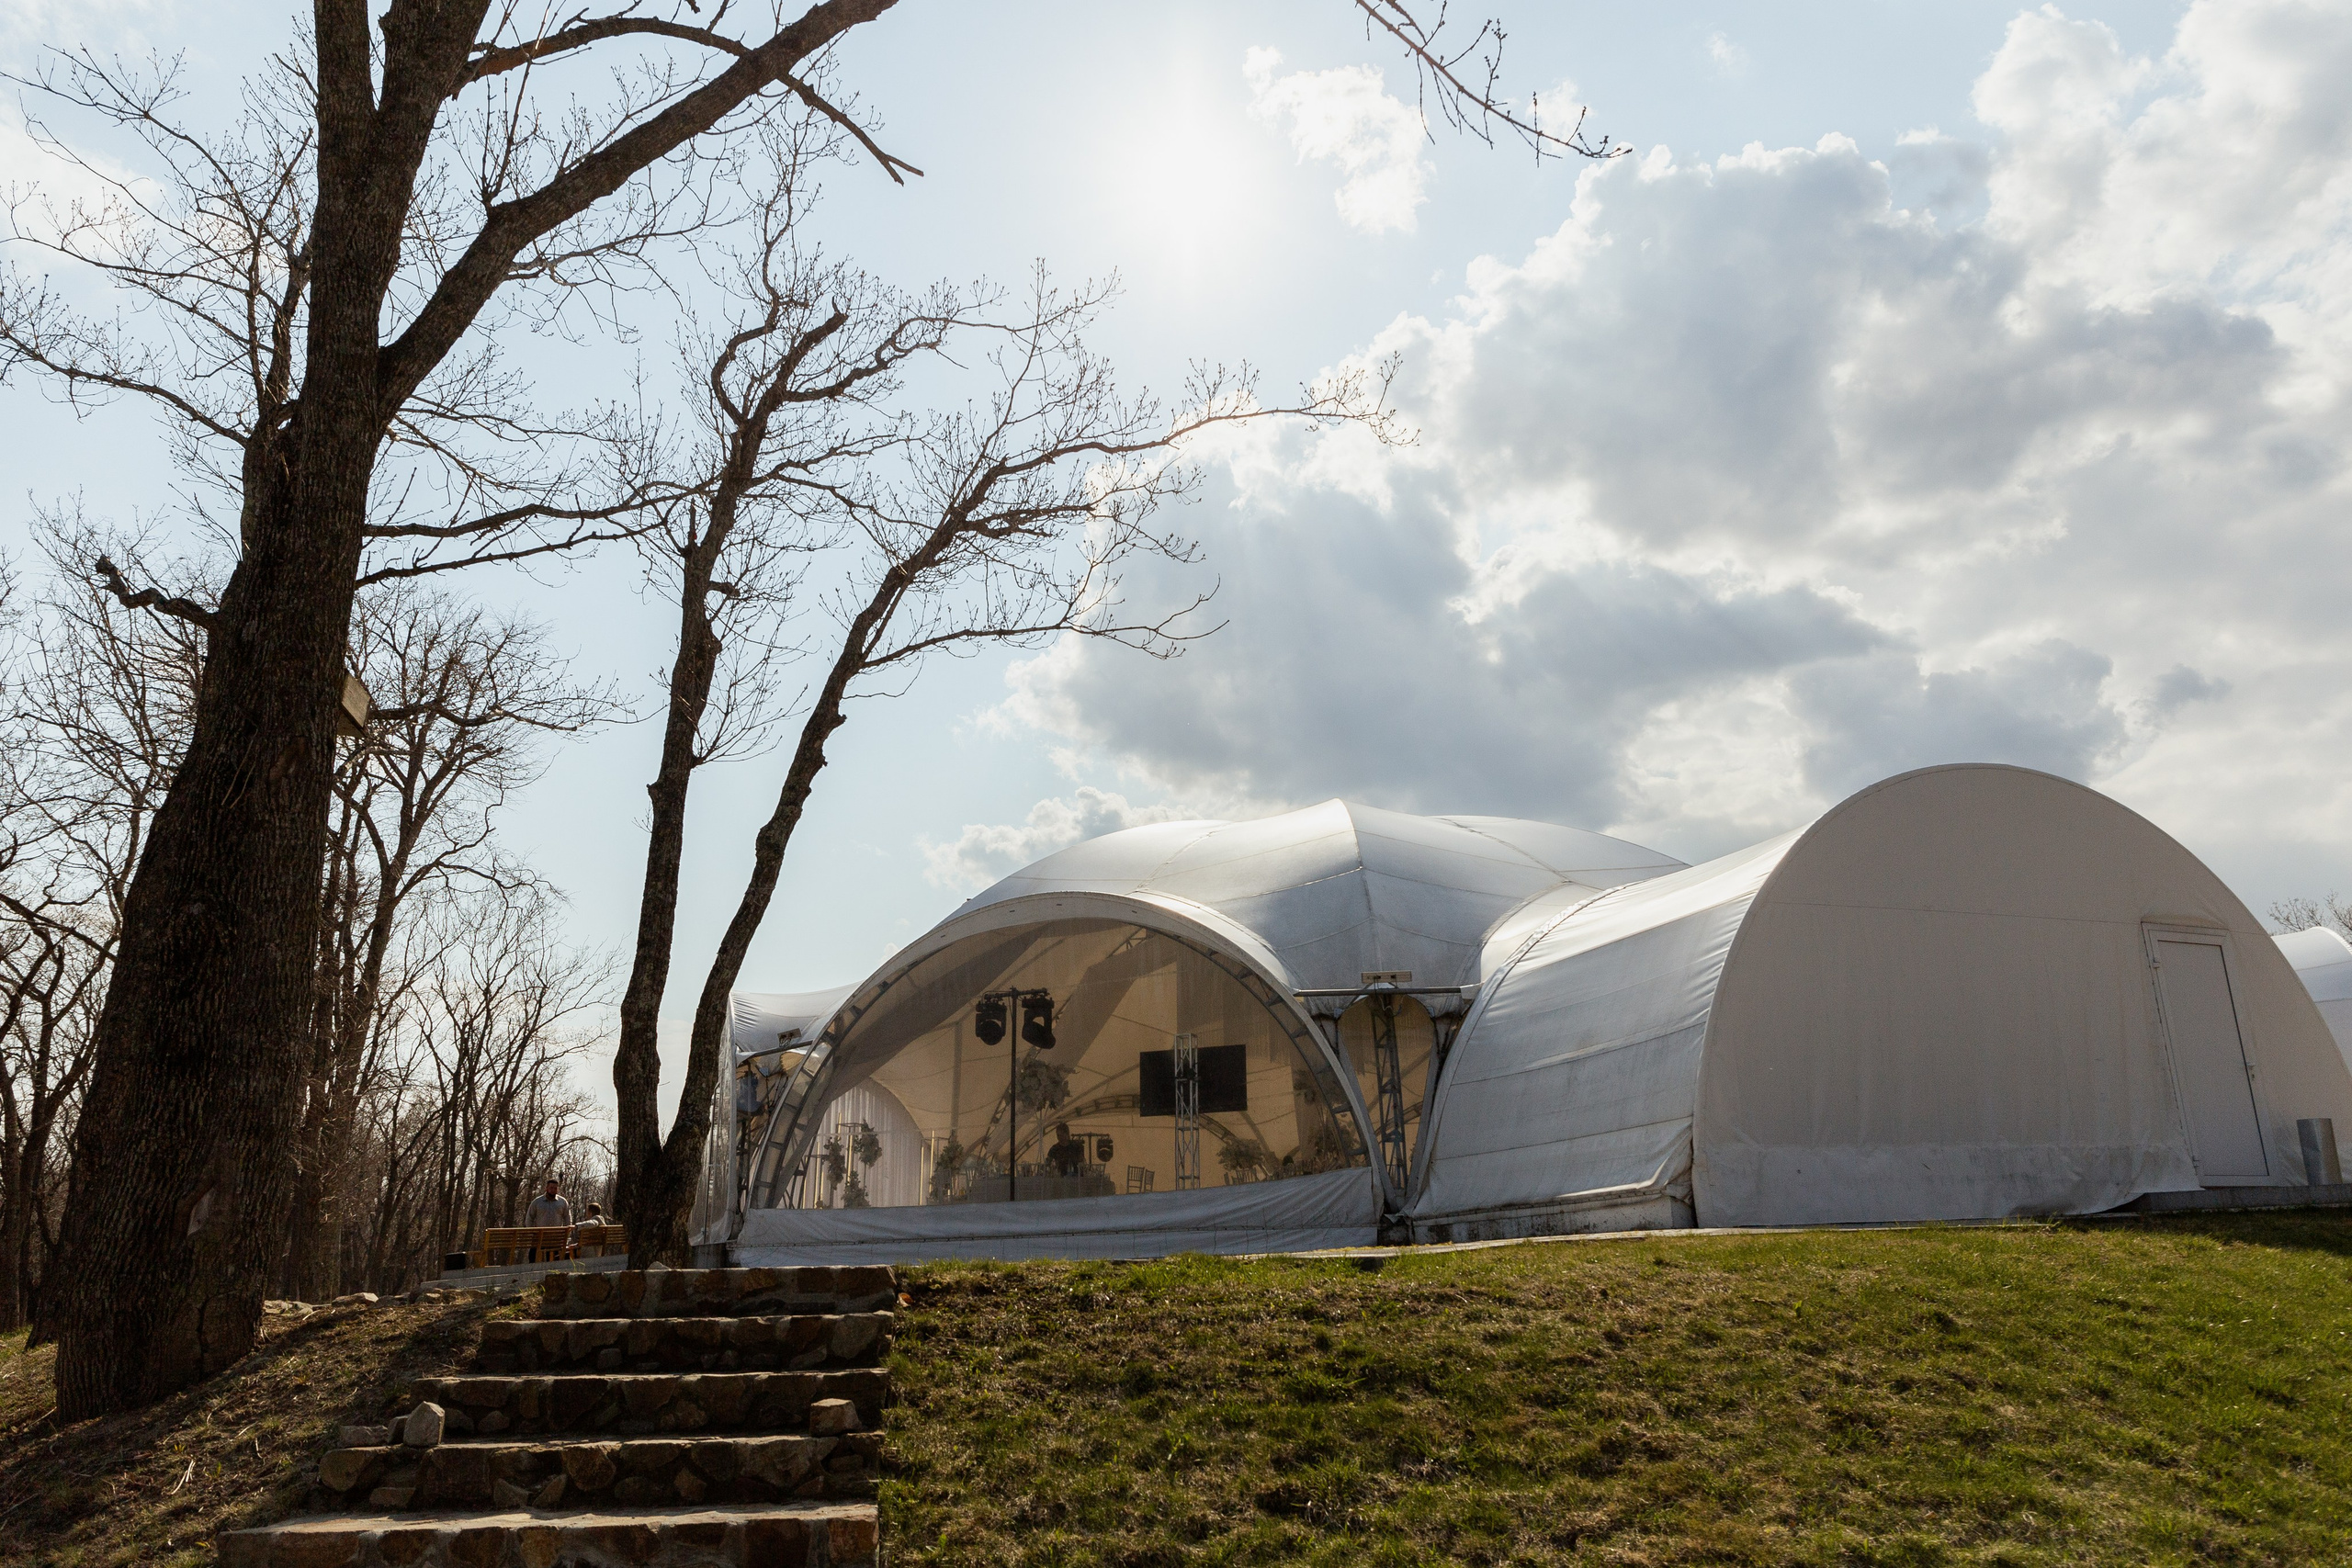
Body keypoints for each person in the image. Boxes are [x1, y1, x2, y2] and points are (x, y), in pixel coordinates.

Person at [524, 1179, 571, 1261]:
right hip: (540, 1237)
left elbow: (567, 1218)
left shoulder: (563, 1202)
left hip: (556, 1238)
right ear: (546, 1188)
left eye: (555, 1188)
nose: (553, 1190)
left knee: (555, 1260)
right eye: (551, 1188)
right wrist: (533, 1232)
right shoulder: (537, 1202)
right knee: (533, 1258)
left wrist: (566, 1233)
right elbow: (529, 1218)